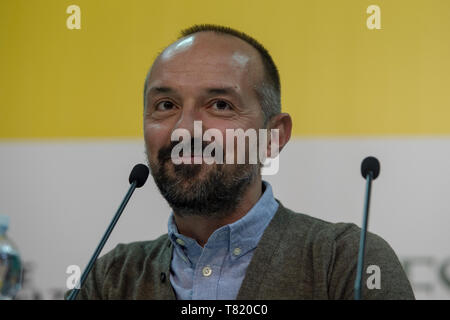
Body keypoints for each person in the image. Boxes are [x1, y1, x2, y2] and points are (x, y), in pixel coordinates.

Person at [66, 24, 415, 300]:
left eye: (219, 105)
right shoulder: (110, 278)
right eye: (166, 105)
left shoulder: (346, 263)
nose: (185, 128)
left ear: (273, 136)